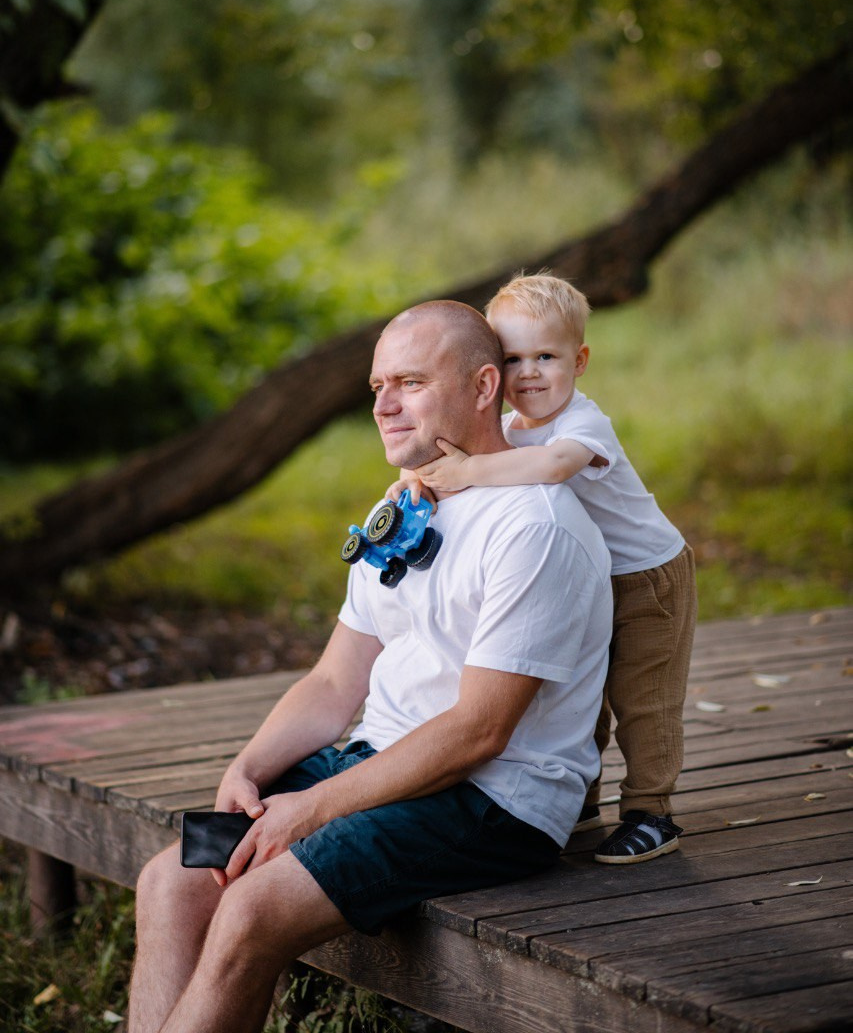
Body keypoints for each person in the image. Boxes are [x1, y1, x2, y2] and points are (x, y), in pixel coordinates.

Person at [128, 299, 612, 1033]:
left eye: (409, 382)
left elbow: (479, 732)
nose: (383, 405)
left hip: (493, 799)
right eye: (377, 385)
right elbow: (333, 681)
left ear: (483, 388)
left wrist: (313, 806)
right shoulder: (413, 502)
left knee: (252, 910)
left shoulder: (533, 526)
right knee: (171, 882)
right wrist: (251, 767)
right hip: (379, 762)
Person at [396, 274, 698, 865]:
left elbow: (555, 466)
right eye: (513, 359)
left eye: (547, 356)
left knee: (644, 698)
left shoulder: (582, 425)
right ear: (491, 371)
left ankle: (651, 809)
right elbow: (452, 460)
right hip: (582, 575)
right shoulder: (510, 430)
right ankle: (577, 793)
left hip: (645, 579)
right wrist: (415, 481)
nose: (529, 372)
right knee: (578, 690)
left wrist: (470, 474)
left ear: (579, 360)